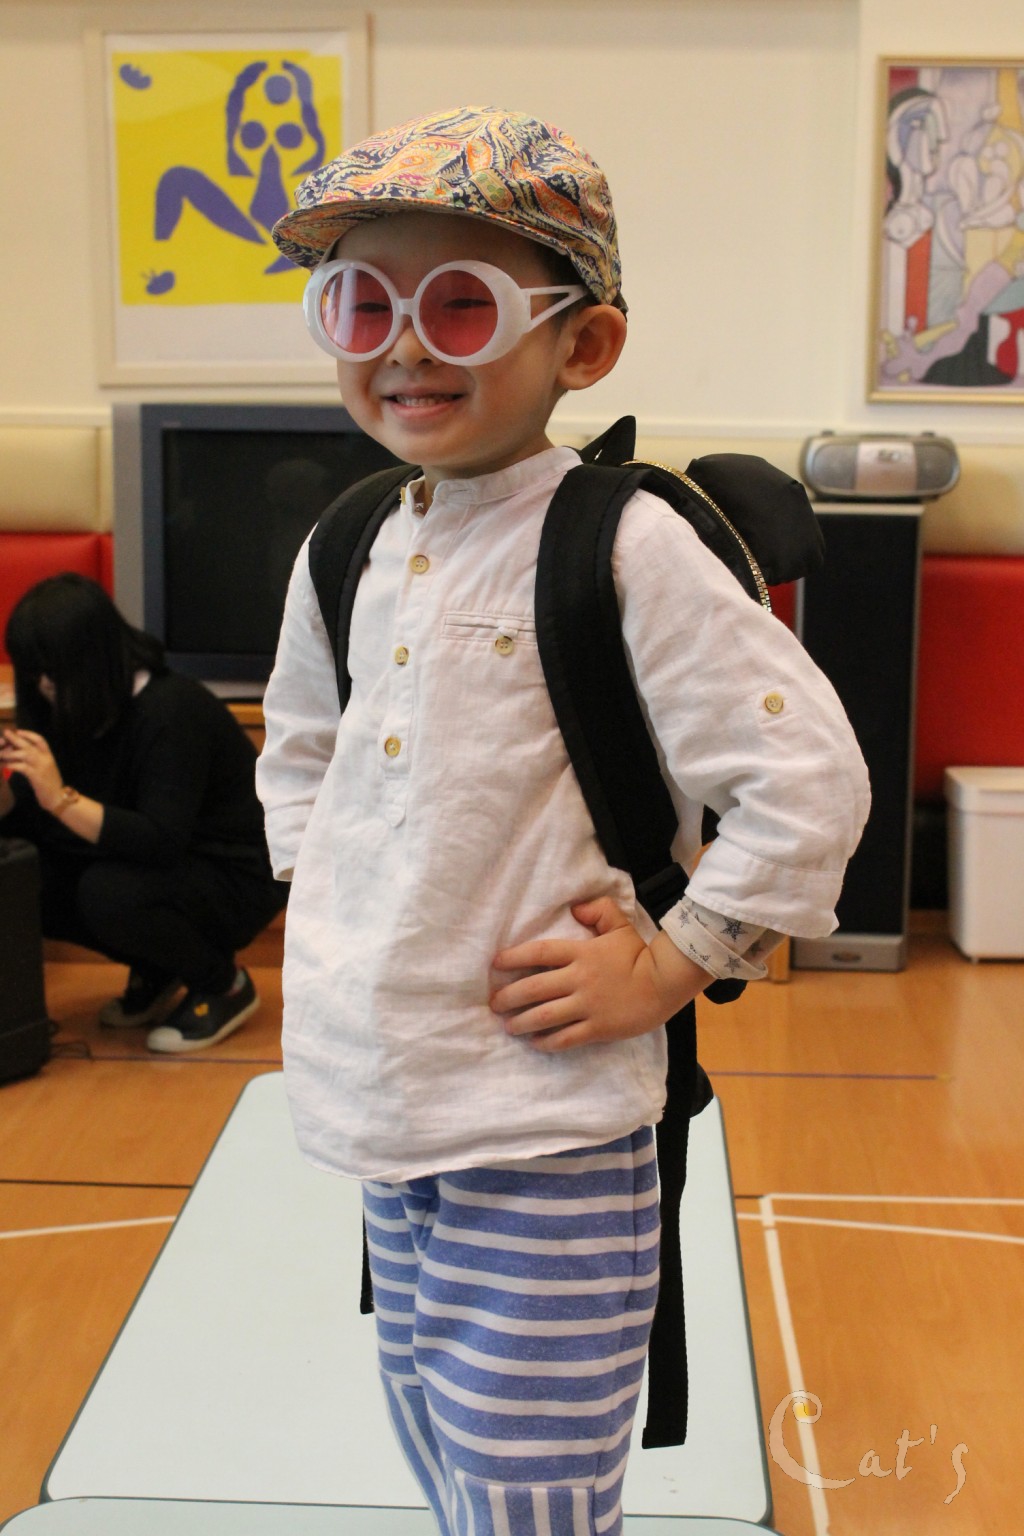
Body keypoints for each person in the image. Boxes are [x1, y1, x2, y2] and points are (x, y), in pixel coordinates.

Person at [256, 106, 870, 1536]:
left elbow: (808, 780)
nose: (404, 346)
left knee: (529, 1480)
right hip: (388, 1107)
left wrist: (672, 961)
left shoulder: (626, 543)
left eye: (461, 306)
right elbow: (301, 753)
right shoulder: (348, 541)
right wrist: (336, 911)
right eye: (362, 303)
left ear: (581, 345)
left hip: (548, 1127)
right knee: (433, 1427)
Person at [0, 573, 286, 1052]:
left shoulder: (170, 710)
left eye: (52, 670)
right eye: (33, 672)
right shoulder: (65, 706)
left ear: (89, 658)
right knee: (28, 874)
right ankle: (161, 967)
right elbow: (38, 826)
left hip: (237, 873)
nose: (43, 684)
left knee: (107, 893)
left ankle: (223, 985)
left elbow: (160, 840)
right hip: (156, 865)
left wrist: (59, 798)